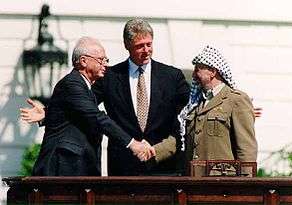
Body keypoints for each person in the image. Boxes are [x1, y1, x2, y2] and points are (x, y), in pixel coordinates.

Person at [21, 19, 190, 176]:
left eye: (149, 44)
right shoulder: (108, 76)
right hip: (123, 166)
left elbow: (189, 110)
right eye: (140, 46)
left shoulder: (172, 76)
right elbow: (85, 107)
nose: (146, 51)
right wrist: (48, 112)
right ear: (127, 45)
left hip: (164, 165)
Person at [28, 37, 148, 176]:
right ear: (84, 61)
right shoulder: (72, 84)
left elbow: (72, 113)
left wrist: (46, 113)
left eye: (106, 60)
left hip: (79, 169)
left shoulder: (85, 87)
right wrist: (132, 143)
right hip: (62, 170)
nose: (105, 65)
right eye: (101, 60)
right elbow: (96, 117)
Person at [176, 45, 258, 176]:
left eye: (197, 70)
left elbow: (246, 149)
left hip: (223, 185)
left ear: (212, 72)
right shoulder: (195, 103)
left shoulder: (236, 100)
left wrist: (245, 185)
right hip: (192, 183)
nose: (193, 75)